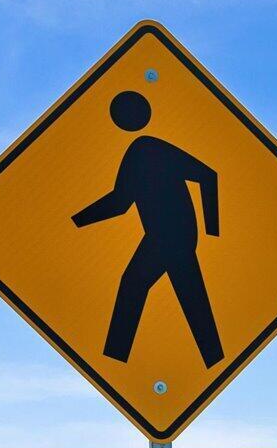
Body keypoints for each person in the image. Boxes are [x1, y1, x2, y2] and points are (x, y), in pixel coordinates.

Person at [72, 90, 224, 368]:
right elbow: (120, 202)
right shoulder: (138, 152)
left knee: (134, 284)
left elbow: (208, 175)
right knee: (189, 297)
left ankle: (116, 358)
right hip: (166, 236)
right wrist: (77, 221)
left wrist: (213, 231)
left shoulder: (149, 148)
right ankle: (214, 358)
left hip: (171, 236)